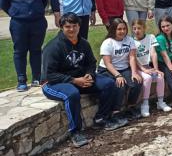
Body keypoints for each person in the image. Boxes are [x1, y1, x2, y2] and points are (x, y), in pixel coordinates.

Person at [41, 13, 126, 148]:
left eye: (75, 26)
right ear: (62, 27)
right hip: (53, 83)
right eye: (68, 26)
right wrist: (74, 80)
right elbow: (49, 75)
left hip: (80, 78)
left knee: (109, 83)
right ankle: (75, 132)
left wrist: (89, 75)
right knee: (72, 94)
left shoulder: (83, 43)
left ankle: (101, 118)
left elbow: (91, 63)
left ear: (79, 26)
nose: (72, 29)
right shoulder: (53, 47)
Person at [1, 0, 49, 91]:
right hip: (18, 24)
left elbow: (44, 1)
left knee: (36, 50)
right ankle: (21, 80)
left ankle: (36, 78)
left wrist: (36, 12)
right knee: (19, 51)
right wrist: (16, 14)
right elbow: (4, 4)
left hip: (38, 22)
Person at [97, 18, 142, 119]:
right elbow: (107, 63)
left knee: (137, 81)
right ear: (113, 30)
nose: (122, 31)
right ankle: (115, 111)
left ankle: (131, 106)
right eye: (119, 29)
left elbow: (132, 57)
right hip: (107, 69)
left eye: (124, 29)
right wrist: (118, 75)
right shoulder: (108, 42)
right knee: (120, 85)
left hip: (124, 68)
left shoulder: (129, 40)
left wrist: (134, 72)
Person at [131, 19, 171, 117]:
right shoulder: (131, 41)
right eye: (134, 29)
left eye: (139, 28)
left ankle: (160, 102)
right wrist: (144, 70)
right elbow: (133, 59)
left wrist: (156, 69)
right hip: (138, 68)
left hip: (148, 66)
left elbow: (153, 54)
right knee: (148, 78)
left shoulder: (150, 37)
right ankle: (145, 104)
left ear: (144, 28)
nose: (137, 31)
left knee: (160, 77)